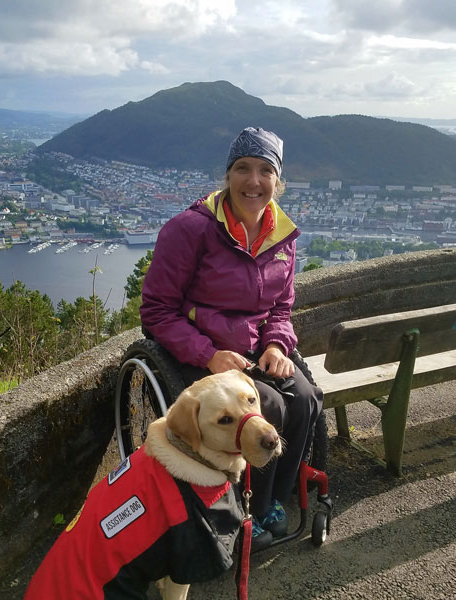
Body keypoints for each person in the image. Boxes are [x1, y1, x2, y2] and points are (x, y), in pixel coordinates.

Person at [140, 126, 323, 550]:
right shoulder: (189, 230)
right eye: (242, 168)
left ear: (278, 181)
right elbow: (156, 311)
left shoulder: (282, 235)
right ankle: (244, 506)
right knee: (271, 405)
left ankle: (272, 499)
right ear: (227, 176)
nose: (253, 181)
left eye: (265, 171)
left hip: (257, 351)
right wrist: (208, 354)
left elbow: (281, 306)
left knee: (308, 397)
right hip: (198, 350)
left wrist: (277, 344)